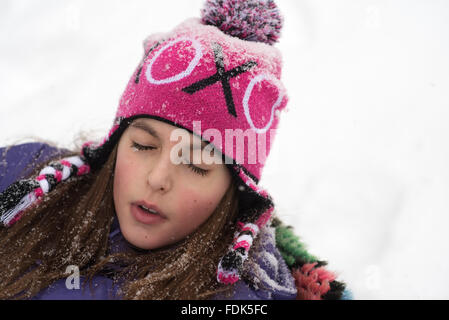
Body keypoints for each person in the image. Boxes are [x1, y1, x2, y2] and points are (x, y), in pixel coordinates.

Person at [0, 0, 351, 300]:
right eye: (143, 145)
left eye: (196, 164)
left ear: (236, 189)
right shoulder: (23, 184)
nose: (157, 178)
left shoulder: (244, 294)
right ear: (115, 143)